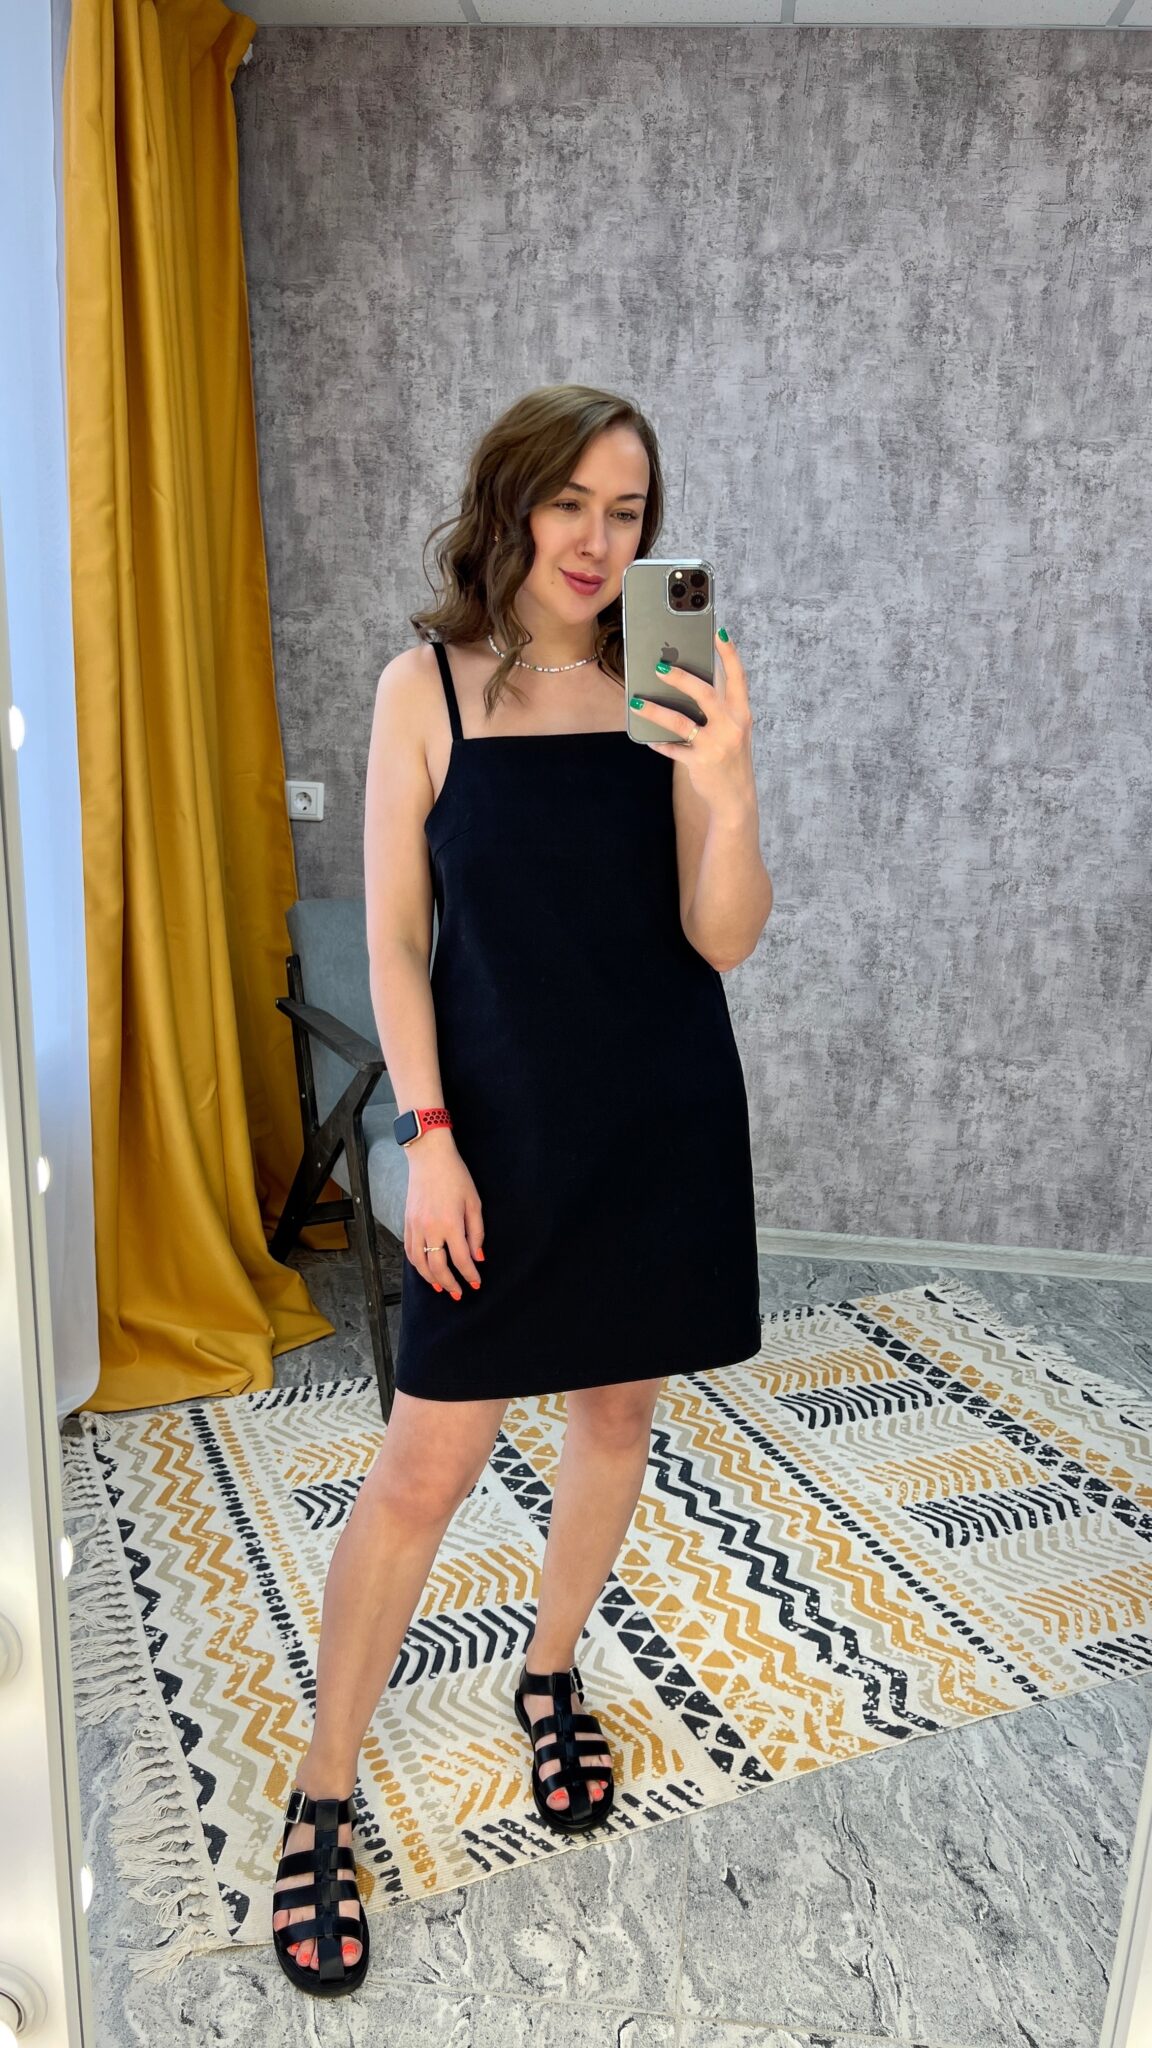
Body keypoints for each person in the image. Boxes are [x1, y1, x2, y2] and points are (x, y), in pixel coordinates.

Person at [271, 383, 773, 1996]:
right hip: (487, 1129)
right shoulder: (422, 684)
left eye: (628, 514)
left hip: (656, 1116)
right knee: (426, 1466)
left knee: (617, 1416)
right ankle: (323, 1788)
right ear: (511, 502)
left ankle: (551, 1673)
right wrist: (425, 1136)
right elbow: (394, 935)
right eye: (571, 503)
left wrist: (733, 779)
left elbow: (721, 935)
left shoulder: (674, 666)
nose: (598, 541)